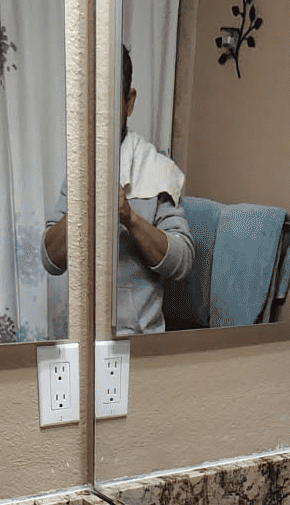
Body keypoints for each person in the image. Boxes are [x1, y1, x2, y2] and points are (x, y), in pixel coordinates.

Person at [42, 46, 193, 334]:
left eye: (108, 98)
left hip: (137, 346)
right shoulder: (79, 169)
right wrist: (80, 208)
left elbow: (183, 262)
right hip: (78, 341)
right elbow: (50, 260)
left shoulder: (157, 171)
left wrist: (129, 217)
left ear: (129, 101)